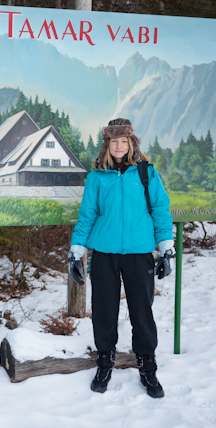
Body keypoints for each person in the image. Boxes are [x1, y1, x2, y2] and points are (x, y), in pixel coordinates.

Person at [68, 118, 174, 398]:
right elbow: (87, 215)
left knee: (142, 310)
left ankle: (147, 367)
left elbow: (161, 211)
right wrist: (77, 251)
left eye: (123, 141)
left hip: (140, 254)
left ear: (131, 143)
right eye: (113, 141)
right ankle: (105, 361)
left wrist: (166, 248)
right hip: (104, 253)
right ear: (107, 145)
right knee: (104, 310)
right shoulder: (96, 178)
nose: (118, 145)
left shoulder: (146, 174)